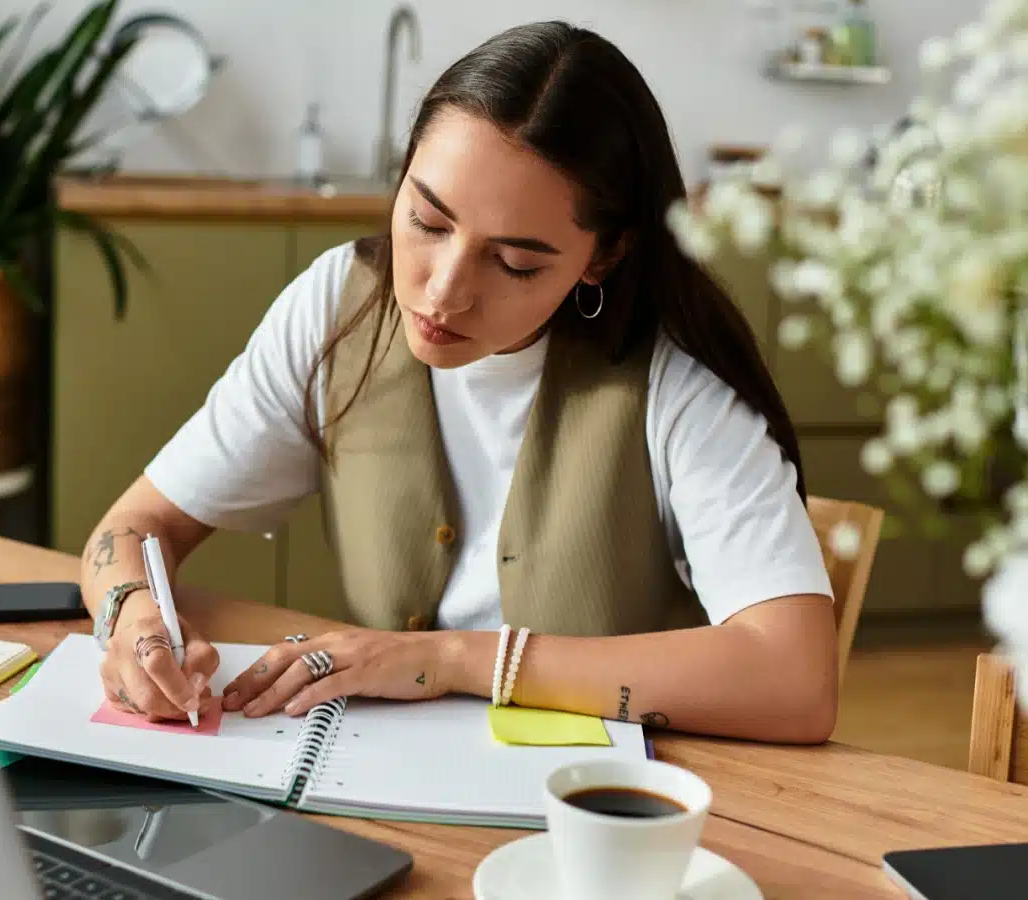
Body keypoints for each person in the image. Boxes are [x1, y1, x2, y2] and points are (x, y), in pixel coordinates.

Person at [79, 21, 839, 745]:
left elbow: (797, 681)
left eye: (514, 264)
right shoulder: (339, 307)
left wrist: (454, 660)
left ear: (602, 257)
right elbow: (135, 527)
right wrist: (132, 617)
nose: (443, 292)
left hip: (599, 817)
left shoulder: (676, 382)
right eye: (427, 221)